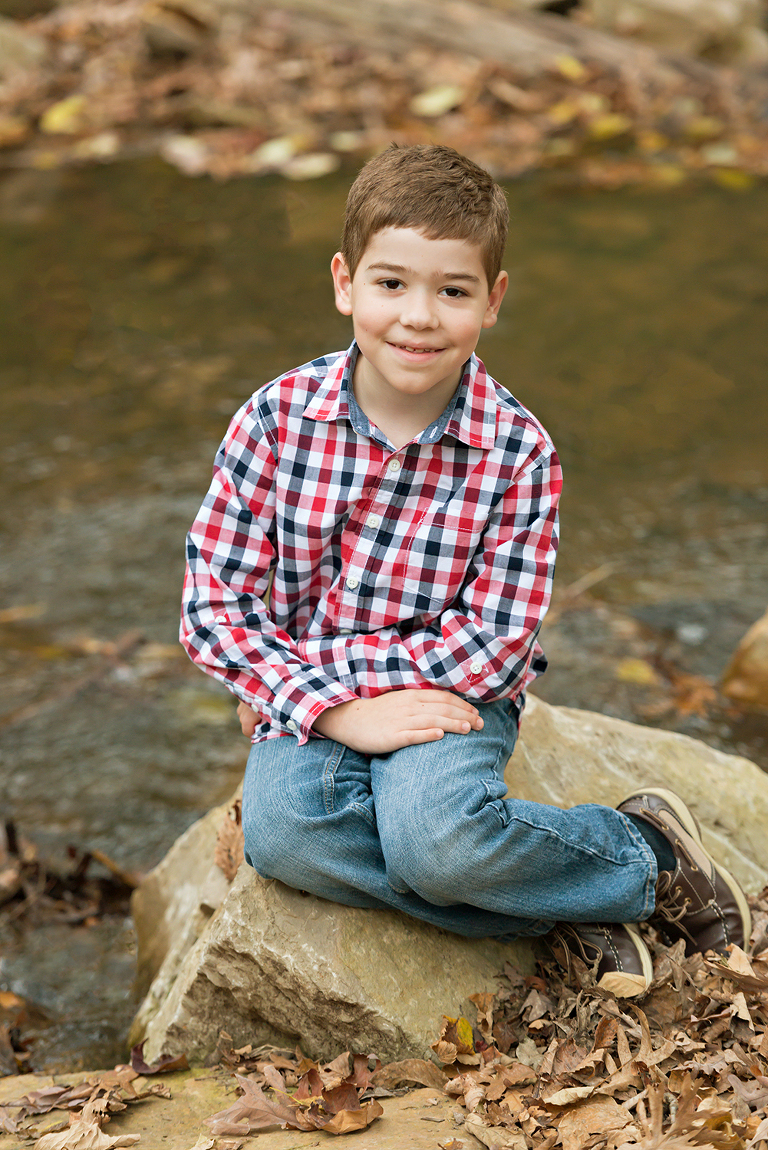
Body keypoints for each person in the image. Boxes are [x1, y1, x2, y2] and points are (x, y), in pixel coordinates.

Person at [180, 143, 750, 999]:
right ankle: (571, 902)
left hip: (452, 689)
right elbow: (212, 606)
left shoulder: (518, 451)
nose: (418, 316)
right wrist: (336, 712)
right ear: (345, 283)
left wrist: (331, 690)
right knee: (286, 839)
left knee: (436, 843)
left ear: (494, 301)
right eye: (391, 283)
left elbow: (493, 641)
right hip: (320, 698)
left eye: (452, 290)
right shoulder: (275, 421)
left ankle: (650, 852)